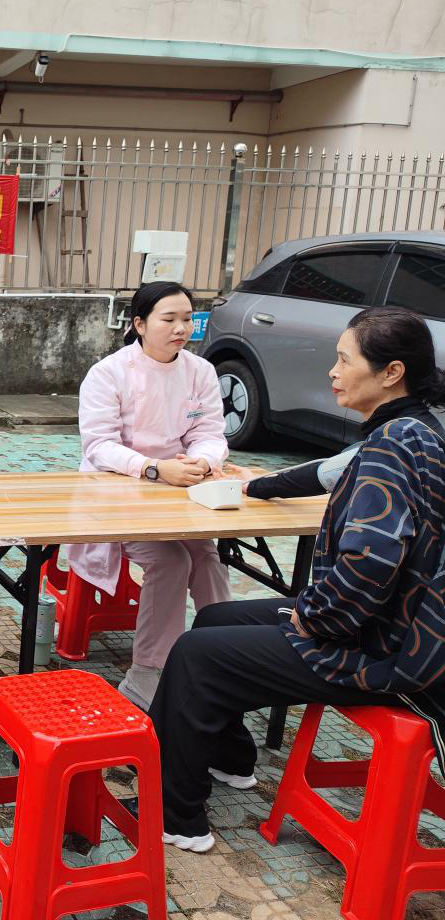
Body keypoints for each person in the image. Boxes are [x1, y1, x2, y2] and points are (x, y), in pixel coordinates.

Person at [149, 306, 445, 853]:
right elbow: (329, 477)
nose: (333, 371)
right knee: (215, 617)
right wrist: (255, 486)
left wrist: (312, 618)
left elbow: (370, 564)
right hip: (388, 625)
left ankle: (175, 817)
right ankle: (231, 760)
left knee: (195, 654)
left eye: (344, 360)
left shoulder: (393, 446)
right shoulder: (415, 429)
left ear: (391, 373)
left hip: (389, 651)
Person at [67, 281, 230, 711]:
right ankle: (147, 674)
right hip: (117, 492)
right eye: (169, 319)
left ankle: (223, 654)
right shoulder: (109, 373)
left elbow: (209, 431)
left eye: (188, 319)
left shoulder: (200, 371)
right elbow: (99, 446)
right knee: (171, 560)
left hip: (178, 491)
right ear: (139, 324)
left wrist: (203, 460)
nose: (181, 328)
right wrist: (154, 468)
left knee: (208, 557)